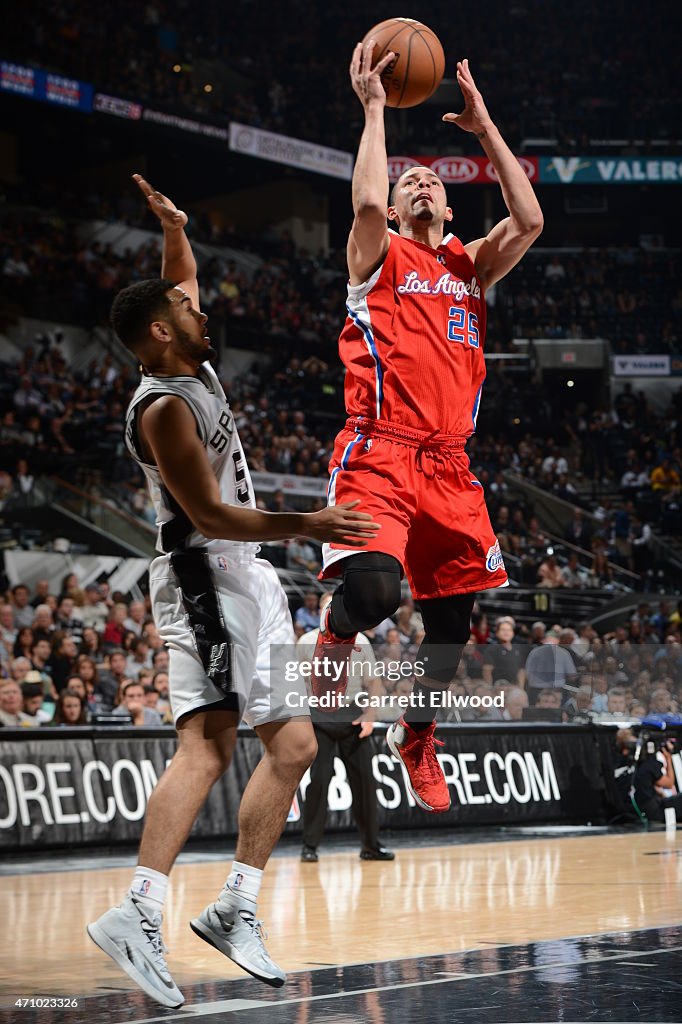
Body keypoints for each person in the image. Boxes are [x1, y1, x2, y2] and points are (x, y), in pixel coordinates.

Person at [86, 174, 379, 1009]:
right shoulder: (162, 408)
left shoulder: (186, 349)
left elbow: (180, 280)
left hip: (248, 578)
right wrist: (307, 524)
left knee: (293, 748)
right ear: (158, 334)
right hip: (201, 573)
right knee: (208, 747)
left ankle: (234, 908)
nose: (202, 312)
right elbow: (209, 512)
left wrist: (176, 227)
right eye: (189, 312)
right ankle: (137, 912)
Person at [314, 46, 543, 813]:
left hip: (449, 466)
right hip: (379, 449)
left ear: (449, 211)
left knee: (450, 628)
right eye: (408, 177)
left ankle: (419, 735)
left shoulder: (469, 268)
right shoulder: (377, 254)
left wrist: (484, 130)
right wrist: (376, 111)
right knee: (377, 593)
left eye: (431, 183)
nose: (417, 183)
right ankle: (337, 634)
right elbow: (367, 203)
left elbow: (531, 217)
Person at [297, 594, 394, 863]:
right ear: (322, 612)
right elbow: (293, 685)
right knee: (319, 782)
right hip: (318, 715)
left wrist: (370, 715)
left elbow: (374, 683)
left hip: (353, 714)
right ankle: (310, 846)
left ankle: (370, 846)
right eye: (328, 607)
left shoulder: (360, 641)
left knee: (365, 783)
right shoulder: (305, 643)